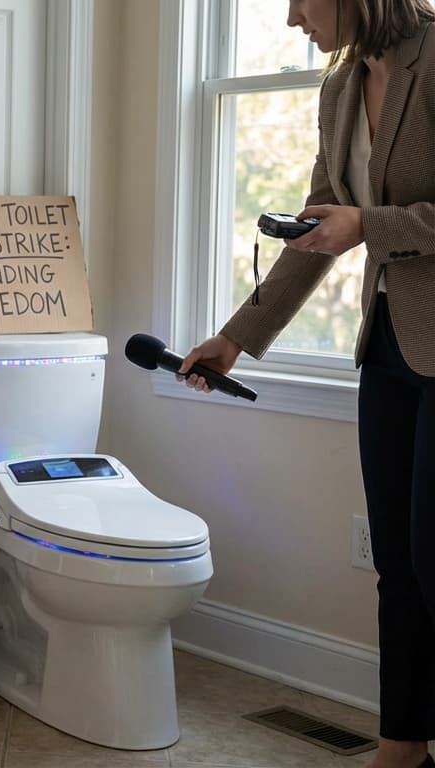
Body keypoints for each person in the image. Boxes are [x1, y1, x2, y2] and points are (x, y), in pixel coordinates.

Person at [180, 2, 435, 766]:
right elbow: (319, 232)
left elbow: (361, 224)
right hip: (387, 342)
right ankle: (401, 749)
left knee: (432, 556)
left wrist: (372, 227)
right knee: (397, 560)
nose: (292, 18)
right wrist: (235, 338)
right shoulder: (339, 89)